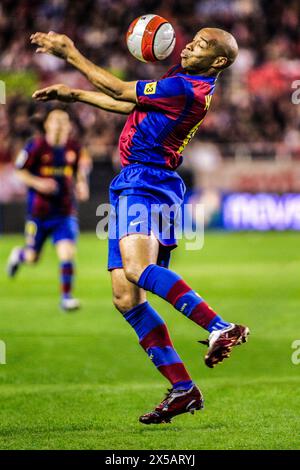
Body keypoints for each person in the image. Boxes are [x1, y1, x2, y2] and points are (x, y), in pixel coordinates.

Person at [30, 27, 249, 423]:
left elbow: (116, 88)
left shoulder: (186, 89)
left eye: (200, 46)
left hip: (147, 180)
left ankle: (220, 326)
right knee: (126, 298)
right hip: (139, 180)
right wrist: (75, 95)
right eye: (192, 40)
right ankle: (183, 389)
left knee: (136, 269)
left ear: (218, 61)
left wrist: (70, 52)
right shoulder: (180, 82)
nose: (188, 46)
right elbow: (129, 106)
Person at [7, 109, 90, 312]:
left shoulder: (74, 148)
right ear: (47, 125)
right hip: (39, 213)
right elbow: (19, 170)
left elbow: (79, 170)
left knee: (67, 253)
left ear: (69, 126)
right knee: (32, 258)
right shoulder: (35, 146)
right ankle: (19, 255)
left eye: (64, 121)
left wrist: (81, 184)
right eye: (55, 121)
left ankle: (66, 298)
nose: (60, 125)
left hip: (64, 212)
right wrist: (38, 182)